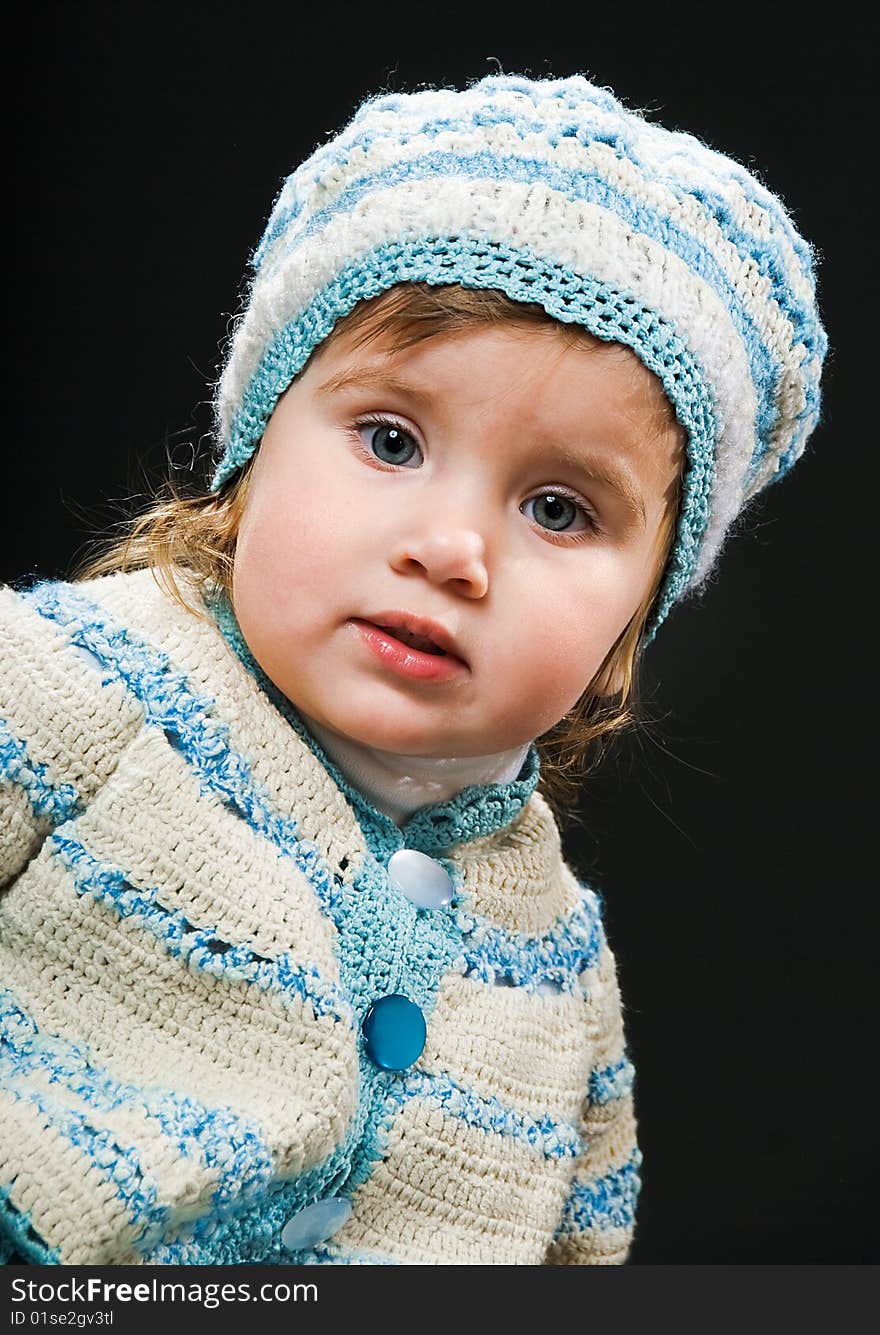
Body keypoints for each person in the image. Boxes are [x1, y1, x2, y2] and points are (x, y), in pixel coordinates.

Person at [0, 72, 825, 1266]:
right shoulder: (64, 693)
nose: (452, 551)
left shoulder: (558, 968)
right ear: (253, 444)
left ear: (638, 615)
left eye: (558, 508)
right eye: (391, 441)